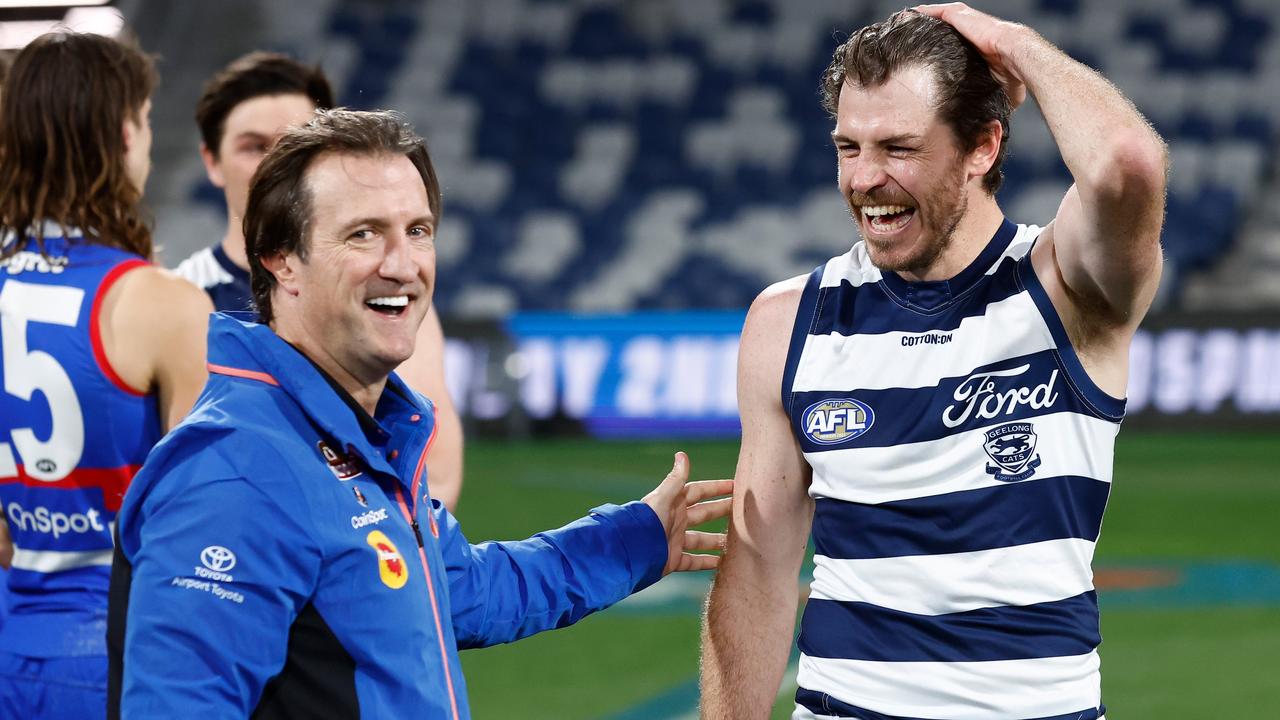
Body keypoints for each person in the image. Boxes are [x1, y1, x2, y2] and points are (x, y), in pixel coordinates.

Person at [108, 109, 732, 718]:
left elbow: (461, 591)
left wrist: (632, 539)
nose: (403, 265)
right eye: (363, 233)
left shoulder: (352, 436)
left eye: (418, 230)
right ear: (281, 259)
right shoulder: (235, 471)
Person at [700, 5, 1167, 719]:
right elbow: (758, 572)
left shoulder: (1067, 289)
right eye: (848, 147)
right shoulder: (788, 322)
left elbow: (1126, 165)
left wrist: (1012, 45)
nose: (865, 178)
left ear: (983, 146)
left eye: (899, 148)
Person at [0, 32, 211, 719]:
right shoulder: (163, 303)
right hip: (113, 656)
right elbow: (205, 522)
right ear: (125, 133)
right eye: (147, 122)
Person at [172, 51, 466, 510]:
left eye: (293, 141)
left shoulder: (389, 297)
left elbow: (436, 480)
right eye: (254, 146)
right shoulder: (174, 303)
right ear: (211, 162)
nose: (276, 162)